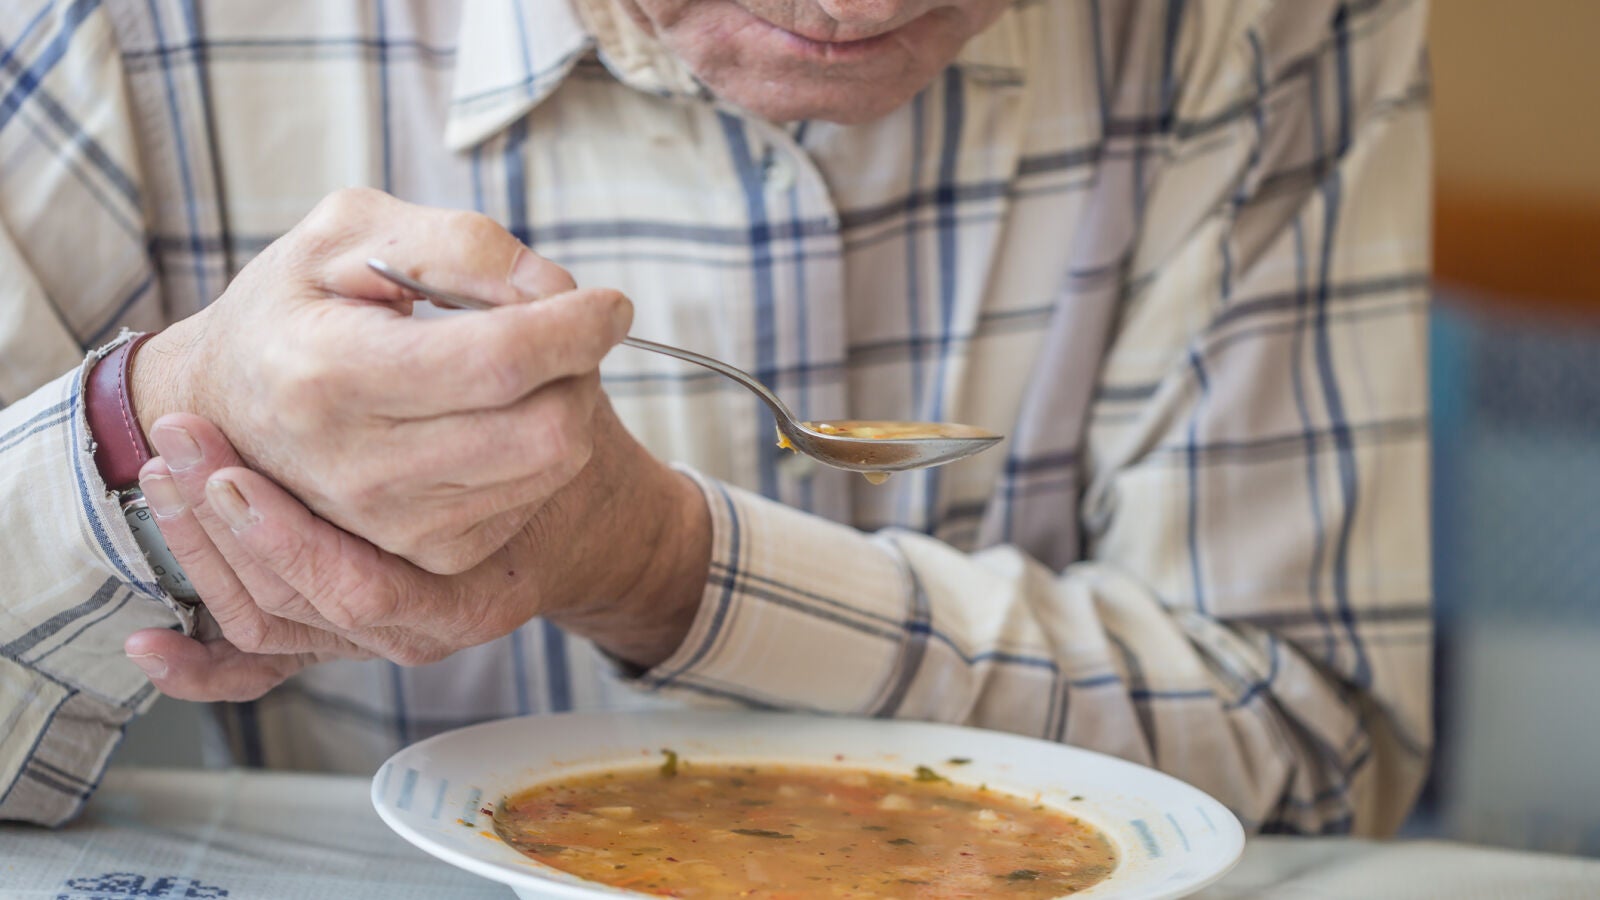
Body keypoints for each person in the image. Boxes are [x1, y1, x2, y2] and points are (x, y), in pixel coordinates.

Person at [0, 0, 1432, 835]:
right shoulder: (119, 24)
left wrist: (660, 565)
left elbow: (1314, 754)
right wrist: (149, 421)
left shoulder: (1254, 23)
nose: (855, 9)